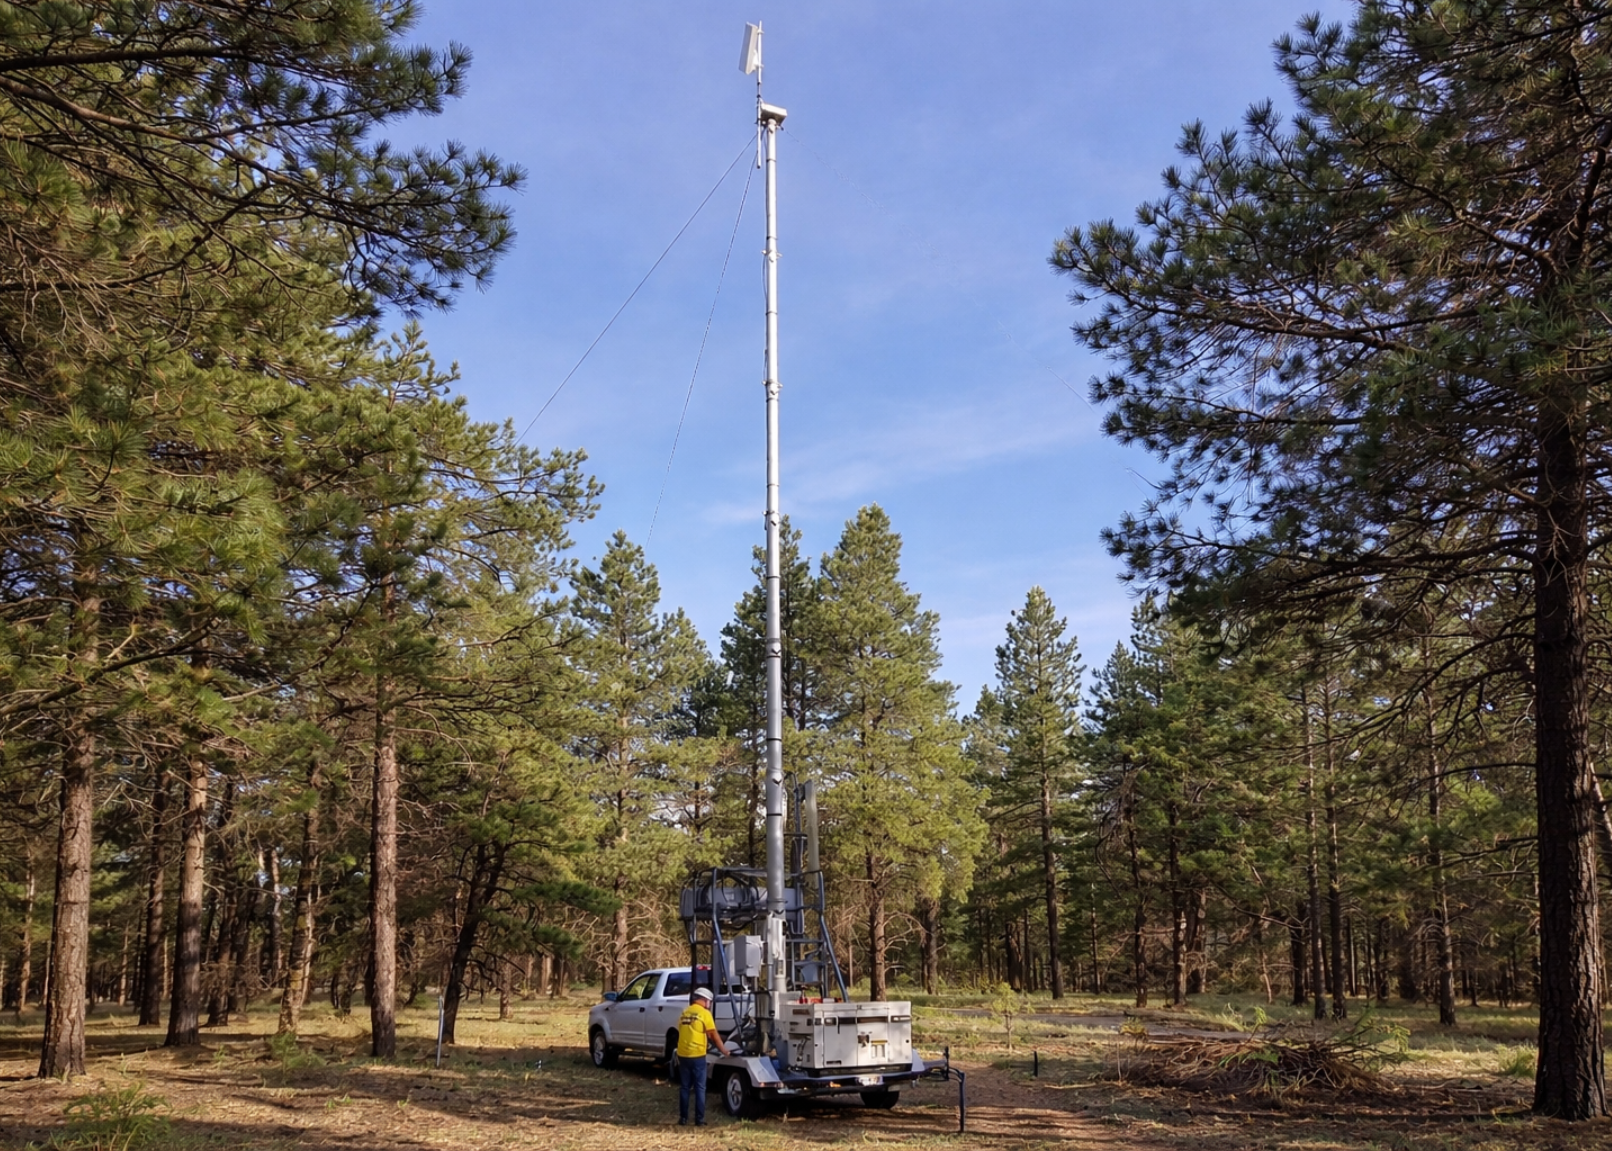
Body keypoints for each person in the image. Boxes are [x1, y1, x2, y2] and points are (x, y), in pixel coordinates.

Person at [675, 985, 730, 1125]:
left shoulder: (685, 1012)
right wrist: (724, 1050)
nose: (709, 1005)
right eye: (709, 1002)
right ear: (705, 1001)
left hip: (682, 1054)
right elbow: (713, 1035)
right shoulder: (705, 1014)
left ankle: (683, 1118)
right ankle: (699, 1120)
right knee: (700, 1087)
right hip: (697, 1055)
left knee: (685, 1087)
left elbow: (681, 1030)